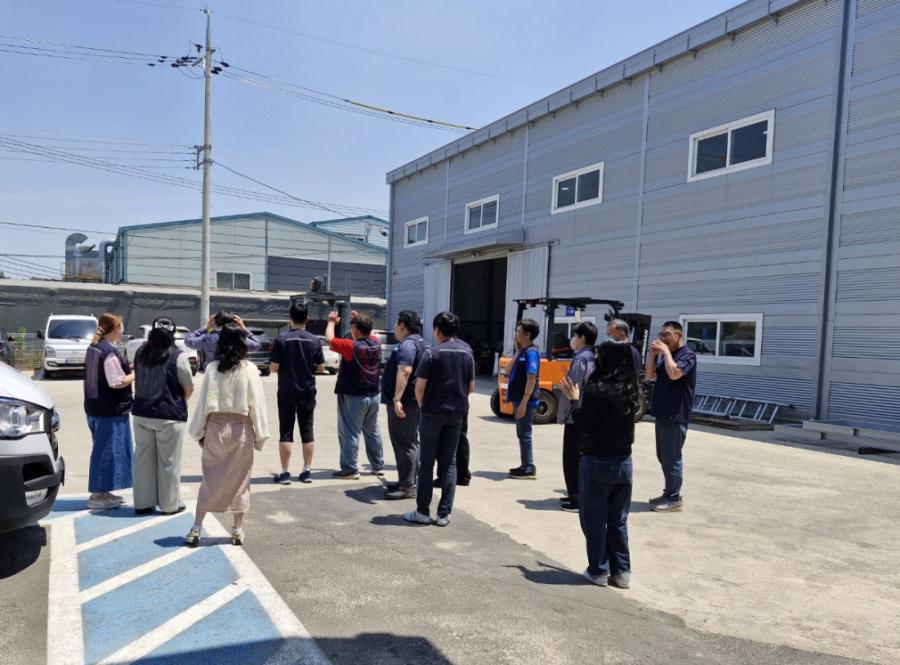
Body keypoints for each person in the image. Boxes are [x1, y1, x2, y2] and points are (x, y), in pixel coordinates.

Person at [561, 338, 641, 589]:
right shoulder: (632, 389)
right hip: (623, 461)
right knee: (618, 520)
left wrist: (575, 400)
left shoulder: (597, 389)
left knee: (594, 519)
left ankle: (598, 570)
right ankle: (622, 572)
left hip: (597, 460)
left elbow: (584, 424)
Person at [185, 324, 269, 546]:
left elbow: (204, 402)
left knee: (210, 477)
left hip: (215, 426)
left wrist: (199, 431)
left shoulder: (212, 368)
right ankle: (237, 530)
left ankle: (196, 527)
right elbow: (257, 403)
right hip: (241, 427)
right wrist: (260, 434)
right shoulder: (250, 369)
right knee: (241, 479)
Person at [403, 312, 474, 527]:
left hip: (432, 413)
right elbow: (471, 388)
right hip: (456, 413)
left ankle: (422, 512)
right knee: (449, 462)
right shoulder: (467, 352)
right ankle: (444, 514)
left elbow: (420, 387)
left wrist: (423, 405)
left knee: (427, 463)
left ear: (437, 330)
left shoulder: (432, 353)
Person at [132, 317, 194, 515]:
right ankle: (169, 505)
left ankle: (143, 503)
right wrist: (181, 401)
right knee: (169, 463)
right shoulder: (178, 356)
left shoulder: (140, 353)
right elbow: (188, 387)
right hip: (169, 416)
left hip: (141, 413)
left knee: (143, 461)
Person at [83, 313, 136, 510]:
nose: (123, 330)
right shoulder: (108, 352)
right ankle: (98, 496)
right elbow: (117, 382)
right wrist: (135, 374)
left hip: (94, 407)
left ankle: (104, 492)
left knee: (104, 451)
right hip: (109, 410)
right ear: (114, 330)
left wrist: (127, 368)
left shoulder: (94, 347)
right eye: (121, 327)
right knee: (106, 453)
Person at [270, 301, 325, 485]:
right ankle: (307, 471)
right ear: (307, 318)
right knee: (307, 431)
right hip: (307, 391)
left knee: (286, 432)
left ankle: (285, 473)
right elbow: (321, 367)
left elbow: (274, 368)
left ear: (289, 318)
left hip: (286, 390)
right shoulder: (314, 340)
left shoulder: (281, 339)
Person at [326, 310, 384, 479]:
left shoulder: (351, 346)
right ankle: (378, 465)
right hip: (373, 394)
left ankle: (350, 468)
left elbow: (330, 339)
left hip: (354, 396)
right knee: (373, 431)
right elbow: (367, 333)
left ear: (355, 329)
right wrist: (358, 320)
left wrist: (331, 321)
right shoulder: (376, 343)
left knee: (350, 432)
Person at [646, 321, 697, 513]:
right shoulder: (667, 355)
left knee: (672, 457)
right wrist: (653, 355)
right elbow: (650, 376)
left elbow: (675, 374)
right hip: (662, 412)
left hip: (676, 414)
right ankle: (669, 492)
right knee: (663, 455)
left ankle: (674, 498)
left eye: (667, 334)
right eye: (661, 334)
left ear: (678, 335)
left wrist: (666, 352)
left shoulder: (687, 355)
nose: (663, 338)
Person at [381, 310, 426, 500]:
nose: (394, 328)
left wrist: (397, 399)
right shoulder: (420, 342)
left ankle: (408, 486)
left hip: (405, 402)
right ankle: (407, 480)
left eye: (396, 324)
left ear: (402, 326)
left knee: (404, 442)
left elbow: (405, 371)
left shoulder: (408, 345)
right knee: (410, 441)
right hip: (412, 401)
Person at [556, 321, 598, 512]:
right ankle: (575, 494)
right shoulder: (592, 357)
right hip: (586, 413)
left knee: (572, 458)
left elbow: (572, 389)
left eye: (575, 336)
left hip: (575, 415)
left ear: (582, 338)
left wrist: (564, 414)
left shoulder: (581, 359)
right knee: (578, 457)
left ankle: (577, 498)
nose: (572, 339)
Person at [506, 319, 541, 479]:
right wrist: (517, 351)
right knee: (522, 434)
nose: (516, 334)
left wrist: (524, 403)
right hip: (518, 399)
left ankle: (528, 467)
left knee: (525, 434)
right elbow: (507, 370)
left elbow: (531, 378)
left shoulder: (531, 353)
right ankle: (525, 464)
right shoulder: (522, 352)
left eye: (518, 331)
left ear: (527, 335)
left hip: (525, 401)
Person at [185, 311, 261, 371]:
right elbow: (257, 345)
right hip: (234, 374)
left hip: (213, 375)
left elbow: (188, 341)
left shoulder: (207, 338)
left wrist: (206, 328)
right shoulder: (238, 337)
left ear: (215, 322)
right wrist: (243, 327)